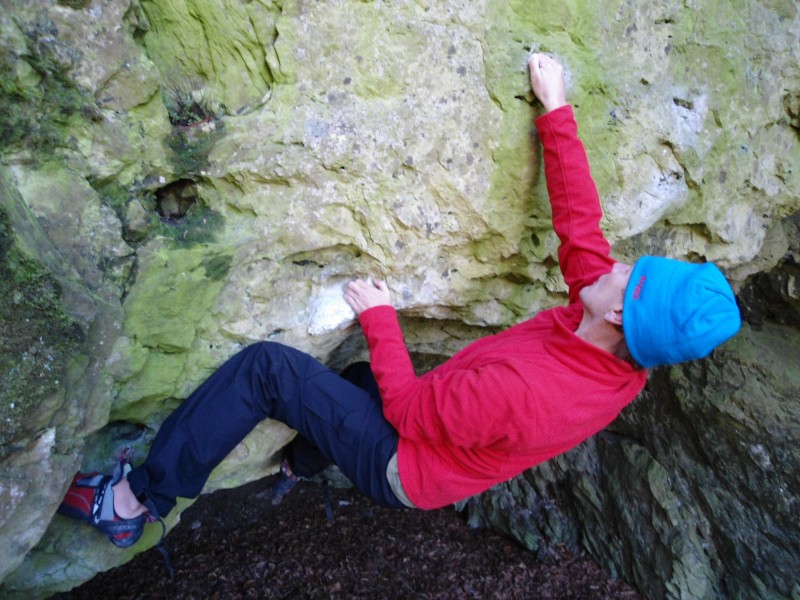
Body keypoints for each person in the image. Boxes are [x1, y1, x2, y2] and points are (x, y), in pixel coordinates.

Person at [58, 54, 741, 549]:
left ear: (620, 311)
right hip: (443, 438)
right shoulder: (618, 339)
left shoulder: (530, 390)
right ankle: (300, 465)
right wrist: (555, 110)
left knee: (270, 369)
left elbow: (412, 412)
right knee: (352, 381)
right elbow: (580, 228)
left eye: (630, 273)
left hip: (404, 464)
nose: (617, 263)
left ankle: (135, 500)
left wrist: (381, 318)